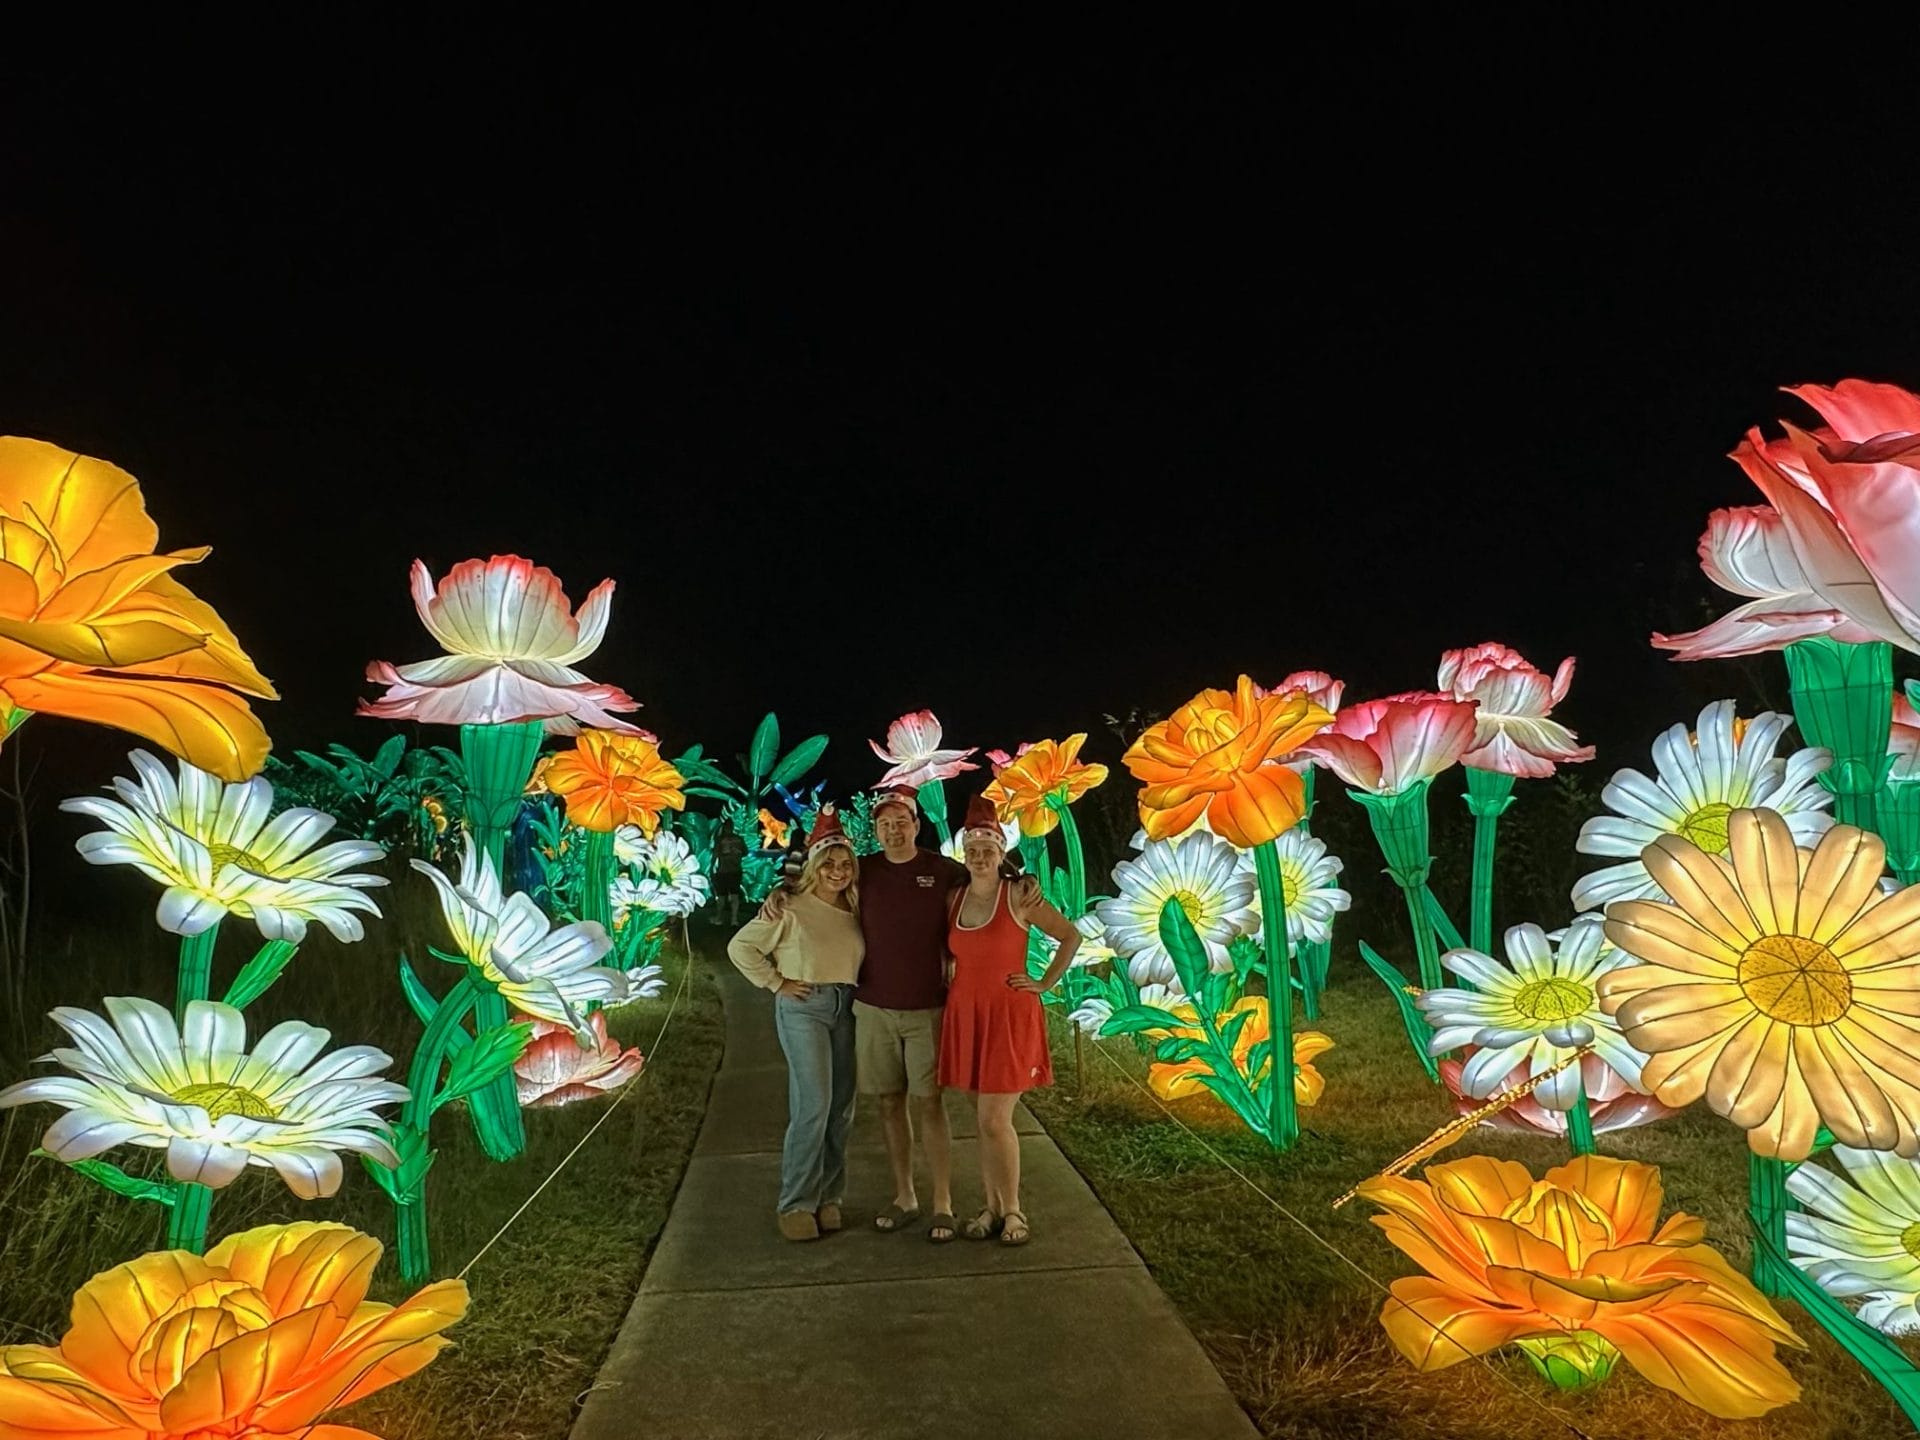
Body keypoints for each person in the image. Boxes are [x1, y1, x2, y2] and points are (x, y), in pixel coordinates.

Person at [761, 782, 1037, 1244]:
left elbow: (989, 873)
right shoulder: (862, 871)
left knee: (928, 1104)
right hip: (872, 1009)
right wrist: (780, 889)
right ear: (876, 830)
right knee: (889, 1103)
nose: (893, 830)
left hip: (928, 1008)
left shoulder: (944, 871)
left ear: (916, 823)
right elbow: (817, 874)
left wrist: (1021, 877)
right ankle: (904, 1195)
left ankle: (942, 1204)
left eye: (901, 821)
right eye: (884, 823)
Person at [942, 794, 1078, 1246]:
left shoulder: (1019, 894)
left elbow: (1069, 936)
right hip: (968, 1014)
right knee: (983, 1121)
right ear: (964, 854)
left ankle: (1014, 1211)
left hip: (1007, 1016)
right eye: (973, 850)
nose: (980, 857)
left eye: (989, 849)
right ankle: (990, 1208)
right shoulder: (954, 898)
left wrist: (1044, 983)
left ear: (1002, 853)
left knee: (996, 1119)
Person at [726, 805, 864, 1241]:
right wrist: (775, 982)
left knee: (841, 1108)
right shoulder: (788, 907)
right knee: (813, 1104)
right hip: (805, 1005)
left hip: (849, 1007)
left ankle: (828, 1197)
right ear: (814, 866)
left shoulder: (859, 906)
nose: (837, 872)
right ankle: (796, 1202)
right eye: (829, 864)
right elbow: (741, 948)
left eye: (845, 864)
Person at [711, 823, 747, 926]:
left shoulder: (720, 839)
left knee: (721, 896)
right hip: (736, 871)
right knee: (735, 896)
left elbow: (715, 854)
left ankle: (718, 918)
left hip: (723, 871)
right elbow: (745, 852)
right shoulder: (739, 839)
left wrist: (711, 868)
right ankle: (734, 920)